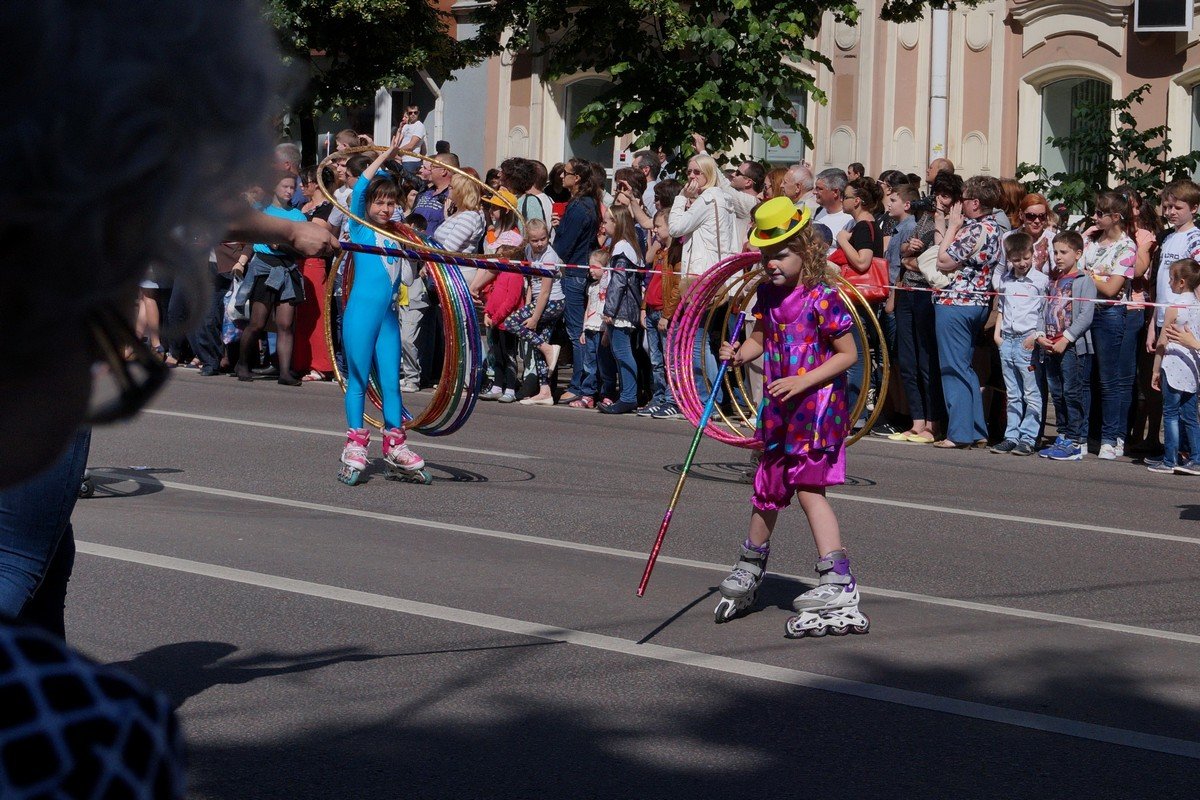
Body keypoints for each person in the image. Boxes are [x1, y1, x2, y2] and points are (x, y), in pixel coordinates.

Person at [714, 197, 867, 638]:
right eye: (765, 255)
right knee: (768, 484)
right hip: (780, 408)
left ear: (806, 251)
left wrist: (803, 381)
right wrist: (739, 353)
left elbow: (849, 355)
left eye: (780, 254)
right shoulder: (767, 293)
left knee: (807, 486)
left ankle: (836, 576)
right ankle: (750, 564)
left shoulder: (823, 297)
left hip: (816, 410)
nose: (772, 263)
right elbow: (761, 338)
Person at [337, 131, 427, 486]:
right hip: (360, 314)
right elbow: (360, 189)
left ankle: (395, 442)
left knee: (392, 380)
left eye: (391, 204)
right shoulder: (359, 229)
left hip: (387, 317)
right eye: (380, 204)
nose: (386, 210)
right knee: (358, 380)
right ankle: (356, 442)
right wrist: (386, 154)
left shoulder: (398, 234)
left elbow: (404, 277)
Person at [932, 175, 1004, 448]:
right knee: (966, 367)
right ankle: (977, 430)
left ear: (975, 202)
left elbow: (944, 260)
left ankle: (959, 433)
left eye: (963, 199)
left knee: (953, 367)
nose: (959, 204)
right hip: (976, 303)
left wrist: (951, 227)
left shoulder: (975, 229)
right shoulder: (995, 228)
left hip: (957, 303)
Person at [233, 172, 308, 385]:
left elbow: (302, 247)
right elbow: (250, 234)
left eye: (292, 187)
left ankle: (284, 371)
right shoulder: (262, 211)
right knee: (257, 322)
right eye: (285, 186)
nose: (289, 191)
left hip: (287, 266)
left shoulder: (298, 216)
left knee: (285, 323)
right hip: (264, 266)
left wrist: (283, 245)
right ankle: (243, 363)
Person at [1082, 191, 1138, 460]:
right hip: (1084, 311)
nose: (1094, 217)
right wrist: (1097, 278)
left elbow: (1113, 288)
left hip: (1110, 315)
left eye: (1100, 214)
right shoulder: (1090, 241)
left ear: (1115, 217)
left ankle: (1110, 437)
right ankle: (1081, 434)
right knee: (1083, 377)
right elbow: (1072, 271)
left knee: (1108, 379)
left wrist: (1089, 277)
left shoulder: (1127, 247)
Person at [1035, 231, 1096, 461]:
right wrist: (1041, 335)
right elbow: (1044, 310)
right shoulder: (1054, 280)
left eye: (1064, 252)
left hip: (1071, 346)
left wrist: (1066, 338)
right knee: (1057, 393)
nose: (1058, 257)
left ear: (1078, 253)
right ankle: (1062, 434)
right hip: (1050, 344)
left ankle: (1076, 440)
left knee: (1073, 392)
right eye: (1055, 252)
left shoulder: (1084, 281)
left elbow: (1086, 316)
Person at [989, 233, 1048, 456]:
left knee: (1031, 392)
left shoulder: (1041, 281)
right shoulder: (1005, 280)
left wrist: (1035, 336)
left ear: (1033, 254)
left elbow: (1044, 312)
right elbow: (1002, 308)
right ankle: (1011, 436)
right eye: (1016, 260)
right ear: (1009, 259)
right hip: (1007, 339)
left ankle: (1029, 437)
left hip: (1027, 340)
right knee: (1012, 392)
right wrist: (998, 336)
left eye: (1025, 258)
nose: (1022, 264)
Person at [552, 159, 603, 404]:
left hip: (573, 274)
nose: (563, 176)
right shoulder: (590, 203)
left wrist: (558, 232)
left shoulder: (579, 206)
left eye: (567, 173)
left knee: (577, 332)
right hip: (579, 271)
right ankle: (585, 383)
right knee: (581, 331)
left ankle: (580, 385)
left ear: (578, 179)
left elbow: (564, 245)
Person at [507, 220, 565, 406]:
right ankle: (545, 391)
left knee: (511, 322)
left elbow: (546, 291)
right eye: (535, 240)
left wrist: (534, 317)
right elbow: (532, 282)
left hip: (552, 303)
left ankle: (548, 348)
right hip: (539, 302)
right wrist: (529, 304)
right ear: (528, 240)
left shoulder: (549, 256)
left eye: (543, 239)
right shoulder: (528, 252)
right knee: (539, 346)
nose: (540, 243)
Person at [1150, 258, 1200, 473]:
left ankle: (1170, 459)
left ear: (1181, 282)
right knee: (1190, 415)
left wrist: (1155, 369)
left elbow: (1162, 341)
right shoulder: (1198, 307)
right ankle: (1196, 458)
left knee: (1170, 413)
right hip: (1193, 367)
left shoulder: (1174, 307)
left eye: (1171, 279)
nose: (1168, 282)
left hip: (1173, 364)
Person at [598, 205, 645, 414]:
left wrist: (609, 310)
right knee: (621, 352)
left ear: (617, 223)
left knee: (623, 352)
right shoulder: (623, 246)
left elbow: (618, 282)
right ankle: (627, 395)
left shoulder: (622, 248)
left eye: (607, 220)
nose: (604, 224)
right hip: (622, 308)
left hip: (622, 310)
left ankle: (628, 397)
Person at [639, 208, 683, 419]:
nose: (654, 230)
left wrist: (667, 314)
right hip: (651, 312)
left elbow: (677, 287)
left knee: (669, 360)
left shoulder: (676, 253)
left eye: (658, 226)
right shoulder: (659, 253)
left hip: (665, 315)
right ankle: (657, 397)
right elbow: (650, 283)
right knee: (656, 361)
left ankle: (672, 399)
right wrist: (643, 308)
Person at [481, 235, 528, 404]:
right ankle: (497, 386)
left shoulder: (515, 273)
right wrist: (488, 312)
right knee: (497, 354)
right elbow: (494, 296)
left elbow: (511, 301)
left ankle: (510, 387)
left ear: (510, 251)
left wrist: (497, 317)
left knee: (509, 355)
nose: (497, 252)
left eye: (500, 249)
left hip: (507, 323)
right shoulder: (502, 271)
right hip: (495, 321)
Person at [573, 249, 616, 409]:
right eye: (589, 266)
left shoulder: (609, 288)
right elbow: (588, 308)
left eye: (594, 267)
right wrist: (584, 330)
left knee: (605, 365)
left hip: (602, 330)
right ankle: (588, 394)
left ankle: (608, 394)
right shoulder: (591, 287)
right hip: (590, 329)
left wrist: (607, 331)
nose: (590, 270)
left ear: (605, 268)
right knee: (589, 364)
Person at [812, 168, 853, 249]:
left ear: (835, 192)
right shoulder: (819, 211)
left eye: (819, 189)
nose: (814, 192)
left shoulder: (850, 219)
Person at [397, 106, 427, 175]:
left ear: (418, 113)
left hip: (412, 161)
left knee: (408, 184)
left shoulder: (419, 126)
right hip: (402, 160)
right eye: (410, 113)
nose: (413, 114)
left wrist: (397, 151)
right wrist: (399, 130)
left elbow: (411, 145)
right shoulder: (406, 126)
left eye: (415, 112)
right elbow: (397, 142)